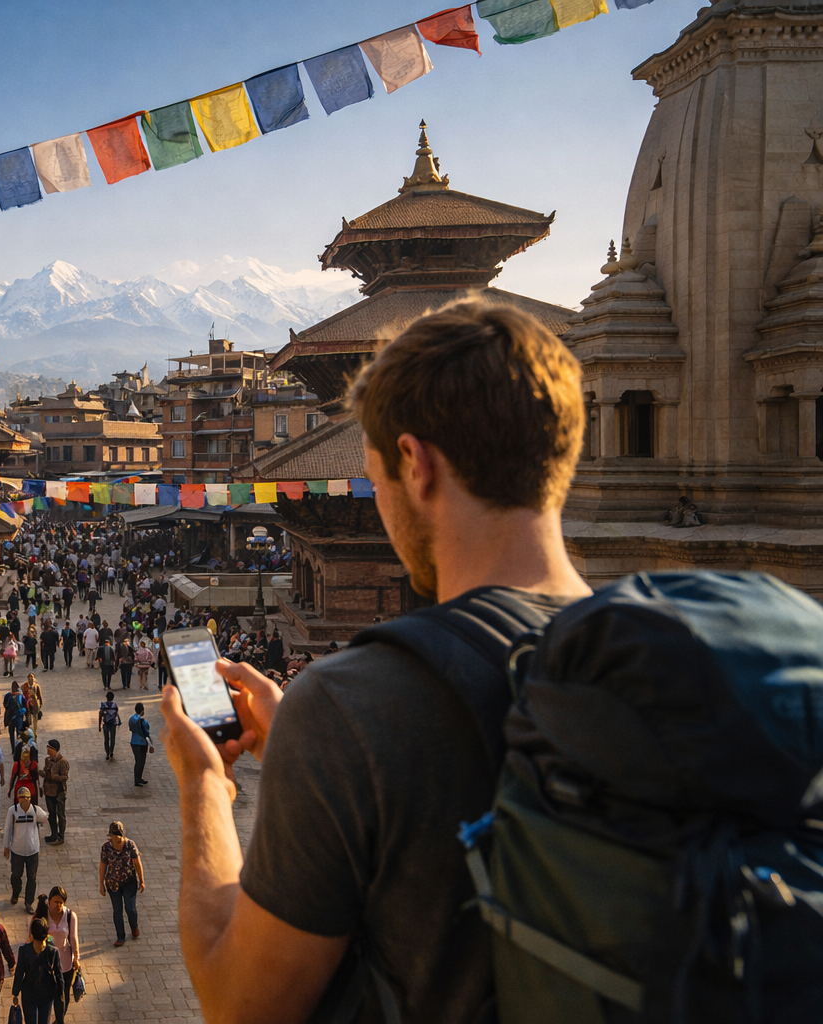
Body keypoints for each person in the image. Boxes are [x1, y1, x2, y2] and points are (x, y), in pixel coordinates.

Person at [159, 299, 594, 1023]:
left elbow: (239, 1004)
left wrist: (204, 784)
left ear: (415, 465)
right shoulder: (673, 660)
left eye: (370, 475)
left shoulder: (352, 706)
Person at [99, 821, 144, 946]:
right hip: (113, 884)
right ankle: (120, 936)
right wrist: (101, 883)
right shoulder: (106, 847)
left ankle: (134, 926)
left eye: (119, 835)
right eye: (115, 836)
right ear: (111, 836)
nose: (117, 838)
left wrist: (142, 880)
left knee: (130, 908)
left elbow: (137, 863)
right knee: (117, 910)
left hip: (129, 882)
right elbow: (103, 864)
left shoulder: (130, 845)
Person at [12, 915, 64, 1024]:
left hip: (29, 994)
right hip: (47, 993)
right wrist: (60, 992)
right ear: (46, 935)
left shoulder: (24, 950)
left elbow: (19, 973)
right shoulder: (53, 951)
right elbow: (59, 975)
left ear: (32, 935)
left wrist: (15, 993)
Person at [4, 788, 48, 914]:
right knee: (16, 875)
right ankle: (16, 892)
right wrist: (6, 846)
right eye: (22, 797)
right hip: (17, 850)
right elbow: (7, 829)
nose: (25, 800)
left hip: (32, 850)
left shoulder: (34, 810)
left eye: (27, 797)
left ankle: (29, 902)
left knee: (32, 878)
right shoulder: (12, 811)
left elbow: (44, 817)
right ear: (18, 798)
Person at [44, 888, 81, 1024]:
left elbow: (73, 937)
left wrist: (76, 957)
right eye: (55, 902)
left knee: (63, 992)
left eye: (61, 902)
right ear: (49, 901)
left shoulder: (70, 916)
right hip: (47, 961)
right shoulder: (43, 914)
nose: (58, 905)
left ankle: (60, 1019)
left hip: (65, 961)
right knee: (50, 992)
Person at [41, 740, 69, 845]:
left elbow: (65, 777)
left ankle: (61, 836)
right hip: (49, 791)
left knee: (60, 814)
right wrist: (42, 773)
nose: (47, 749)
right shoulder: (47, 760)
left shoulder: (63, 762)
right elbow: (45, 771)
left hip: (59, 792)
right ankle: (53, 834)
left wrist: (53, 777)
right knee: (51, 814)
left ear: (54, 749)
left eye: (49, 747)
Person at [7, 743, 40, 808]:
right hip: (31, 788)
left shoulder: (17, 764)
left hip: (19, 788)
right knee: (32, 808)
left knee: (18, 808)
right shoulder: (34, 764)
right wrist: (40, 788)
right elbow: (37, 778)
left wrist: (10, 789)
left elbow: (12, 778)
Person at [128, 702, 152, 786]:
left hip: (134, 741)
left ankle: (137, 778)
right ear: (142, 710)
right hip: (142, 743)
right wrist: (151, 744)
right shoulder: (143, 721)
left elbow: (130, 729)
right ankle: (138, 778)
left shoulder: (131, 719)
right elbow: (147, 733)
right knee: (141, 761)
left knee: (138, 761)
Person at [98, 691, 120, 762]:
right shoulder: (115, 705)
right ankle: (111, 751)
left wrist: (99, 725)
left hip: (106, 724)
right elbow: (116, 714)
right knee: (113, 738)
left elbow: (100, 715)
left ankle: (107, 753)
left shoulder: (103, 705)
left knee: (106, 739)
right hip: (113, 724)